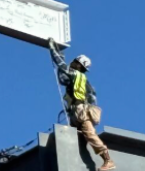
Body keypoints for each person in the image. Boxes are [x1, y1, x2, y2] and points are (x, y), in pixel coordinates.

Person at [49, 38, 115, 171]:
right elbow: (64, 79)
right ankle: (79, 158)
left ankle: (108, 161)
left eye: (74, 62)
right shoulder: (82, 81)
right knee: (79, 137)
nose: (72, 64)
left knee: (89, 134)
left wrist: (53, 50)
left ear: (79, 65)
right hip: (77, 112)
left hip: (81, 112)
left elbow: (61, 66)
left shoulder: (77, 75)